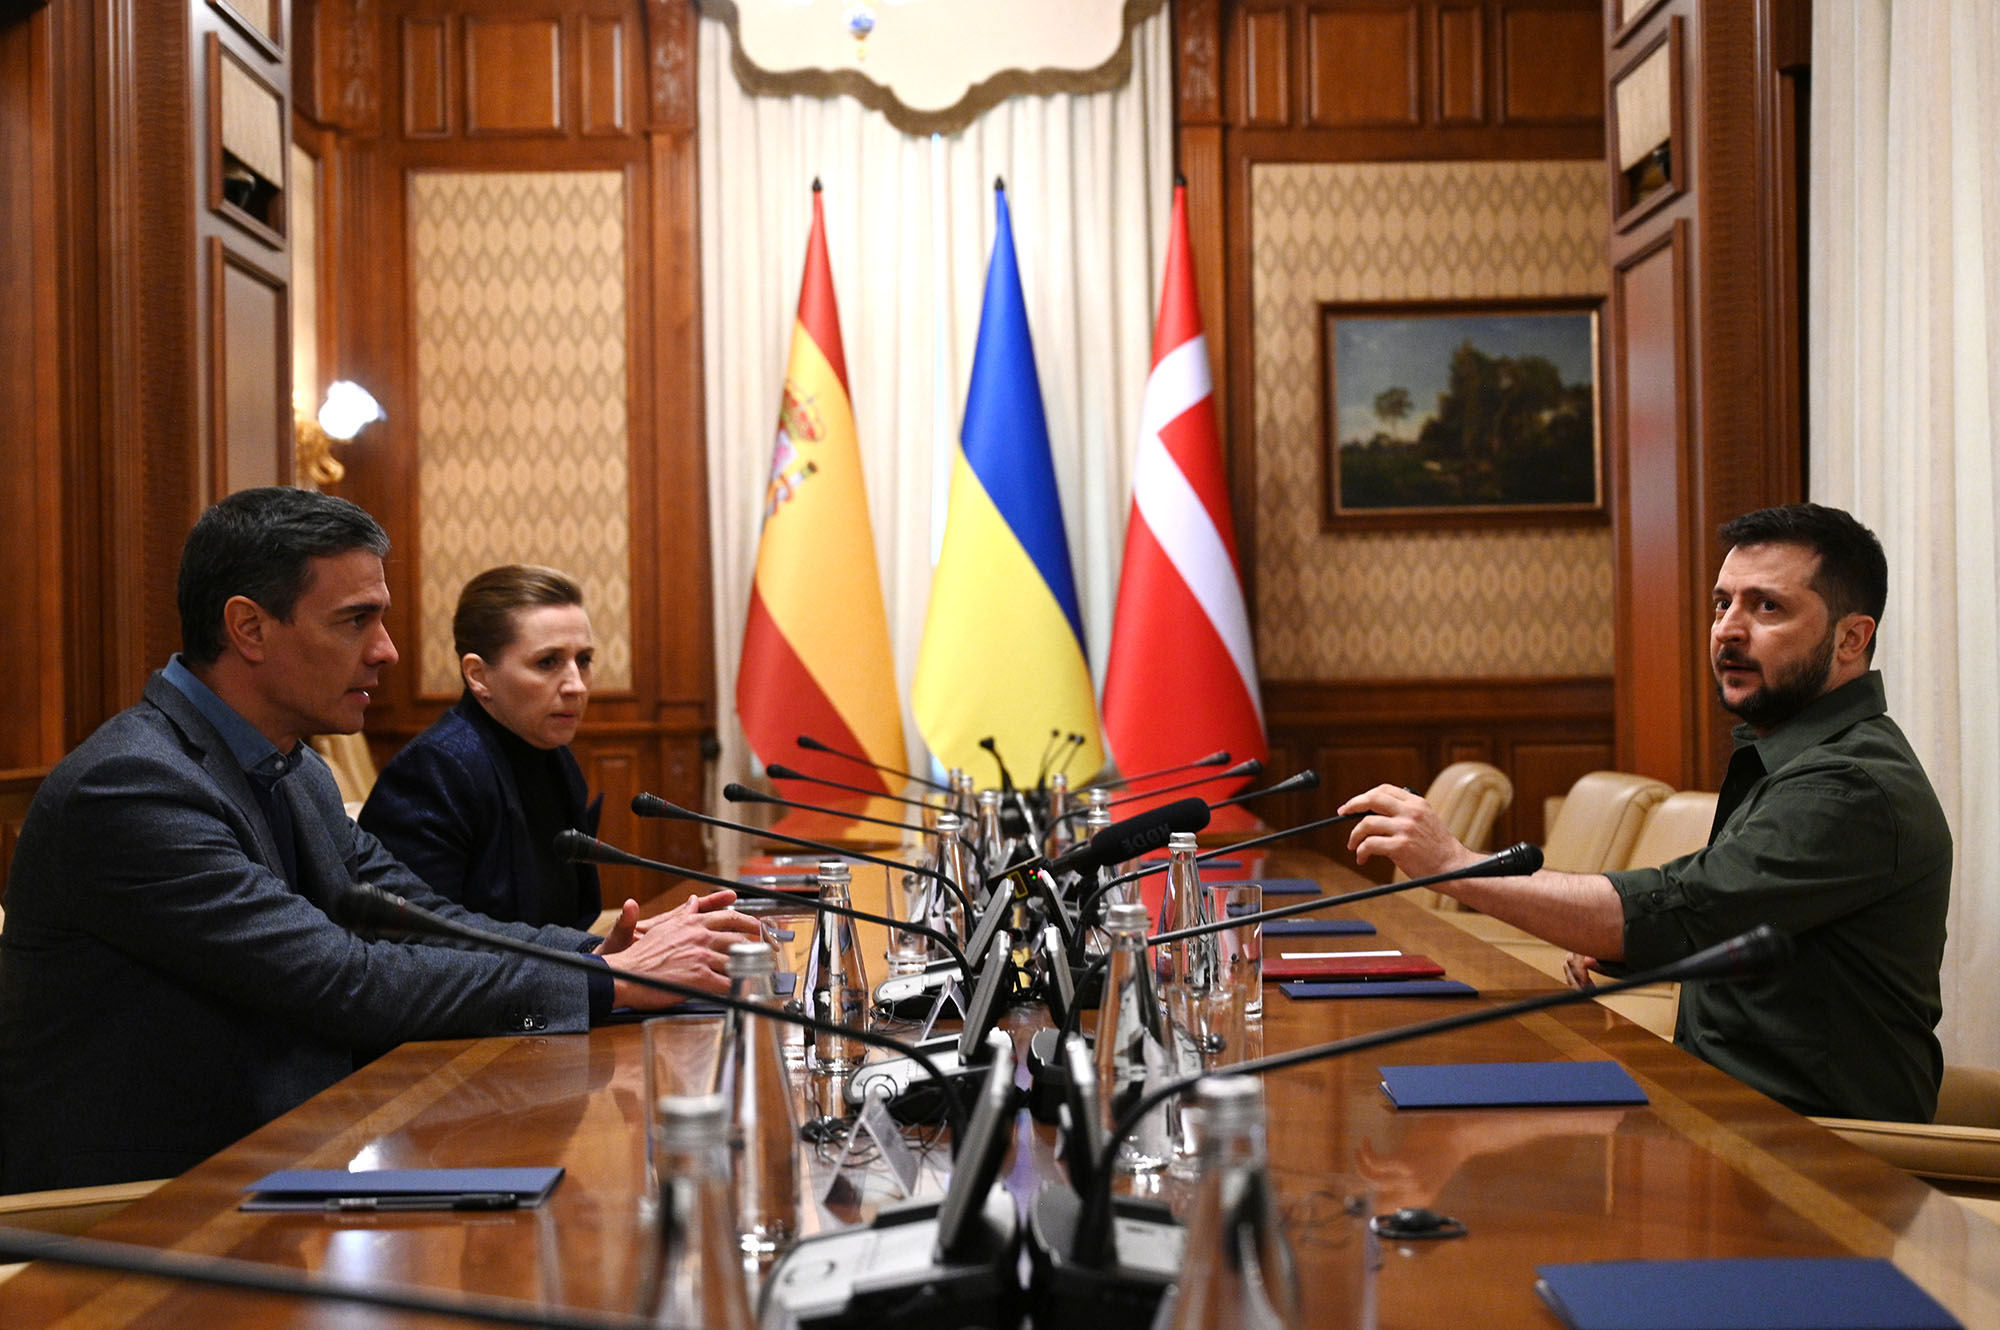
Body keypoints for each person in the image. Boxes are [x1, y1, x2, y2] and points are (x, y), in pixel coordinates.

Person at [0, 488, 761, 1193]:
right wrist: (611, 984)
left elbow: (421, 915)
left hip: (292, 1154)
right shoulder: (135, 786)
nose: (387, 651)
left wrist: (597, 956)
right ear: (249, 627)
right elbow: (343, 978)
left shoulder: (292, 766)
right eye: (354, 620)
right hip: (147, 1203)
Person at [1340, 503, 1951, 1123]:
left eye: (1768, 607)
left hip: (1812, 1153)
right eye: (1722, 603)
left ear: (1852, 637)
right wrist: (1616, 945)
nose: (1728, 630)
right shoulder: (1796, 758)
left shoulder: (1849, 784)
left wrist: (1456, 865)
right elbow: (1735, 915)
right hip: (1719, 1108)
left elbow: (1689, 905)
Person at [361, 566, 605, 928]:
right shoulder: (435, 771)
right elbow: (423, 943)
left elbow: (573, 916)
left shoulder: (555, 757)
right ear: (478, 676)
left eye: (583, 661)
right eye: (548, 662)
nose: (577, 686)